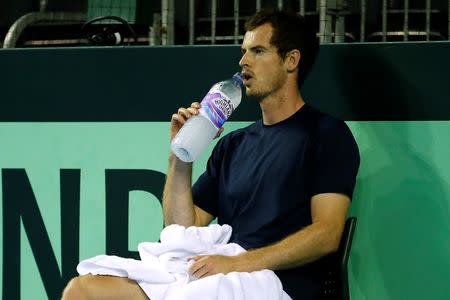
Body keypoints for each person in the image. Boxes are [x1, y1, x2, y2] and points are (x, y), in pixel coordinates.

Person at [61, 8, 360, 300]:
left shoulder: (327, 134)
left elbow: (327, 234)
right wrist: (180, 155)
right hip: (219, 275)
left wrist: (237, 264)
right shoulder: (233, 145)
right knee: (83, 291)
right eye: (243, 51)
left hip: (277, 284)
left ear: (291, 60)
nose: (243, 61)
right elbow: (181, 228)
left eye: (258, 51)